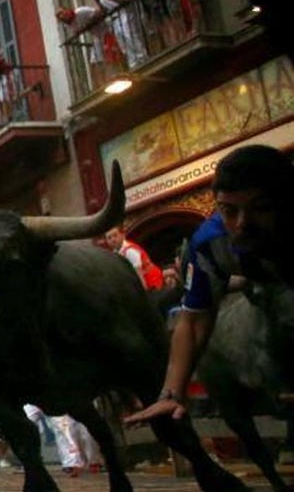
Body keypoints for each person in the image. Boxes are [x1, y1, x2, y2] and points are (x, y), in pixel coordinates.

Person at [126, 145, 293, 425]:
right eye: (228, 210)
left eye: (261, 208)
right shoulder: (209, 244)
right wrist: (171, 393)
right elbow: (193, 321)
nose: (242, 223)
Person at [104, 226, 164, 290]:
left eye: (115, 235)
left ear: (122, 235)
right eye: (109, 238)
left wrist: (144, 291)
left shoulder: (130, 251)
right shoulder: (115, 252)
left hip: (153, 283)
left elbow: (139, 275)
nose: (113, 240)